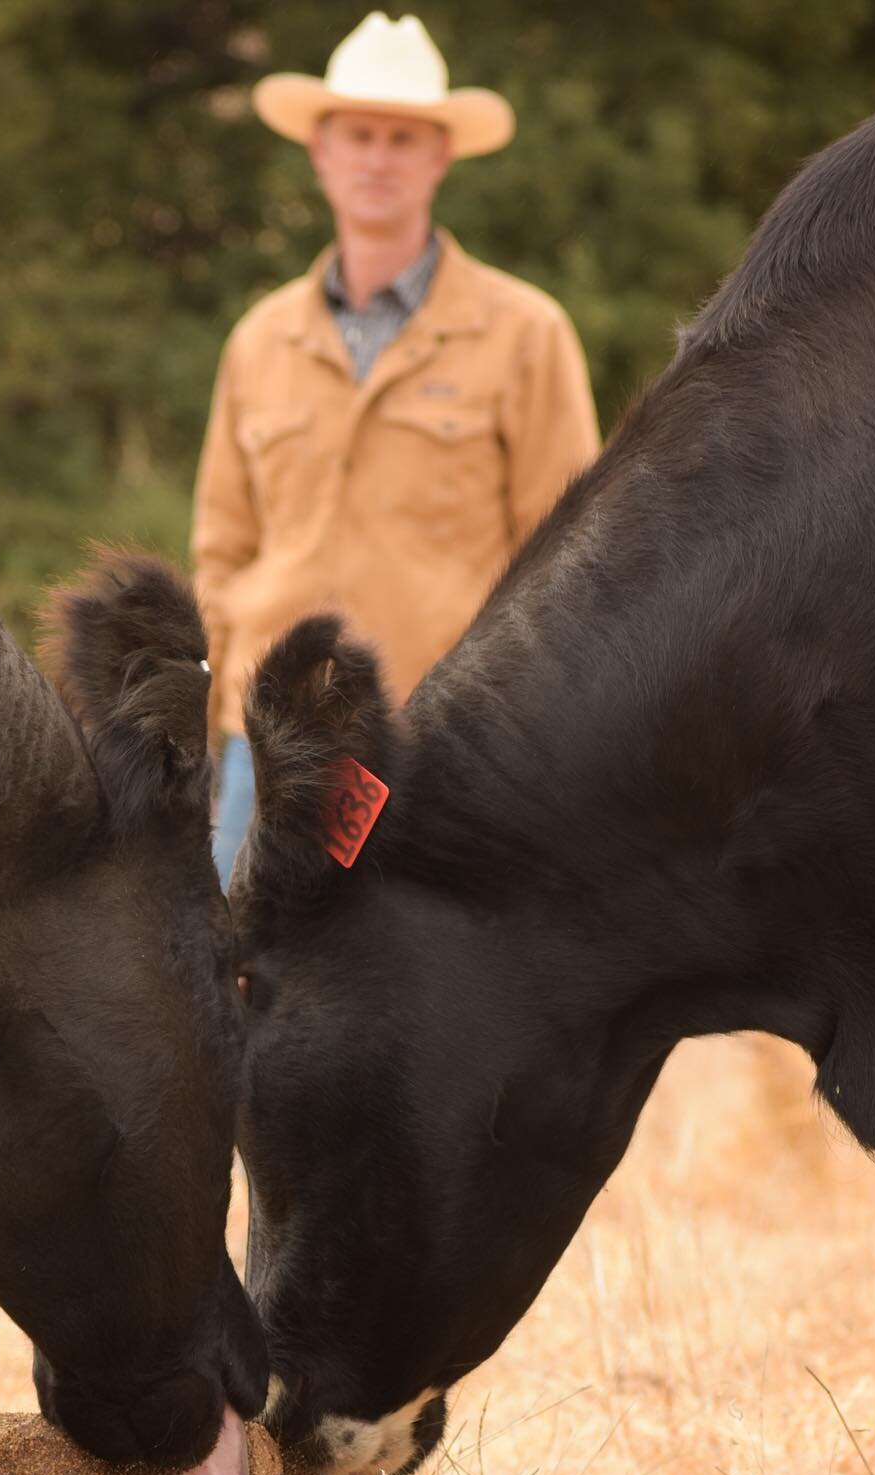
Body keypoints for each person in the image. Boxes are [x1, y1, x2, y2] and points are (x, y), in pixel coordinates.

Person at [193, 12, 601, 884]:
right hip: (268, 742)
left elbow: (573, 556)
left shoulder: (526, 334)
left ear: (439, 156)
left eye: (402, 138)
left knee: (435, 1001)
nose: (379, 158)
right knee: (239, 988)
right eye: (360, 136)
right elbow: (221, 551)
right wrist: (217, 707)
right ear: (321, 153)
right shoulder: (259, 339)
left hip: (449, 740)